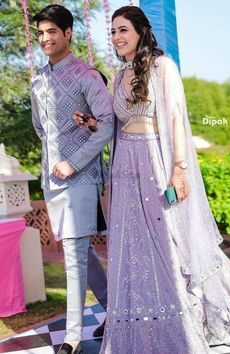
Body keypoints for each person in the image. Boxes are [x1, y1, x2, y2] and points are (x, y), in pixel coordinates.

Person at [75, 5, 230, 354]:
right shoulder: (118, 77)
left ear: (140, 32)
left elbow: (176, 118)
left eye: (123, 30)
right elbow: (116, 125)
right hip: (124, 166)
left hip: (154, 159)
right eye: (113, 32)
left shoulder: (163, 68)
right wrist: (92, 125)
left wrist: (179, 167)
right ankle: (142, 321)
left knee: (168, 238)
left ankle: (187, 317)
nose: (117, 38)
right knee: (132, 246)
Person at [31, 5, 113, 354]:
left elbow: (107, 125)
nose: (45, 39)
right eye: (40, 33)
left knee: (74, 256)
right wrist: (53, 163)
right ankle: (115, 305)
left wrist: (73, 162)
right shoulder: (36, 82)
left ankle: (72, 337)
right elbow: (41, 129)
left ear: (67, 33)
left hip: (80, 176)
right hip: (51, 180)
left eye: (52, 31)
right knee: (77, 250)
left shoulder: (87, 76)